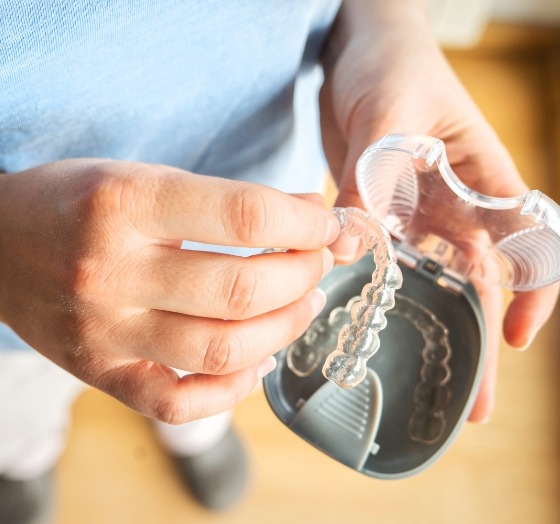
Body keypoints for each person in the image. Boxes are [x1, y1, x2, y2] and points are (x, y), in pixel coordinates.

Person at [1, 1, 557, 522]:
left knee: (229, 360)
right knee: (18, 403)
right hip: (22, 279)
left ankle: (198, 432)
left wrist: (384, 25)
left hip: (269, 212)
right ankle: (27, 452)